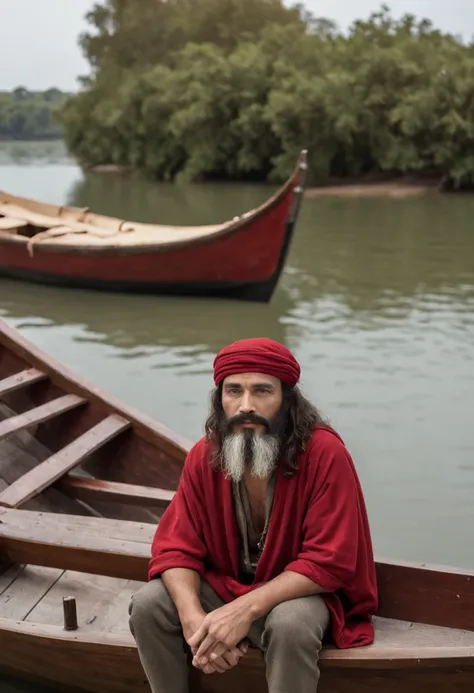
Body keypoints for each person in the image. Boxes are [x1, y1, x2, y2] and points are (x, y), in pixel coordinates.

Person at [129, 337, 378, 693]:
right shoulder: (204, 455)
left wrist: (241, 613)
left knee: (291, 624)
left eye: (262, 391)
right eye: (234, 391)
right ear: (220, 400)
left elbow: (330, 561)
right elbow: (175, 548)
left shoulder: (325, 453)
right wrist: (194, 624)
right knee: (148, 604)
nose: (246, 406)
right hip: (228, 591)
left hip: (299, 597)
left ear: (287, 400)